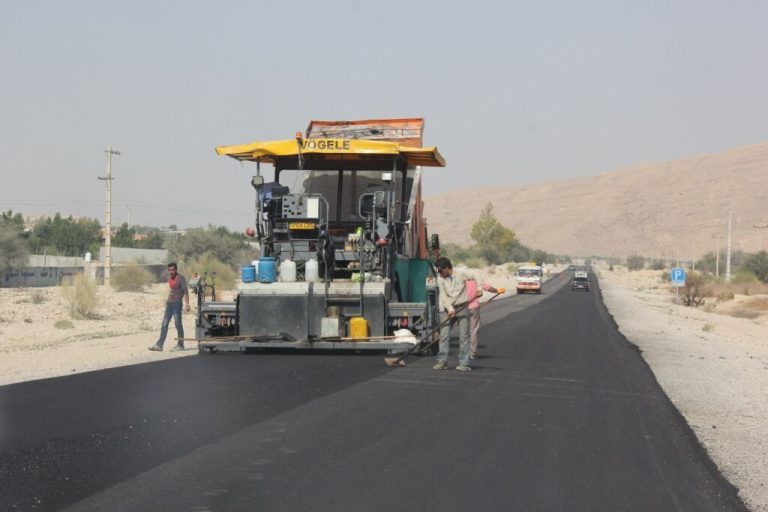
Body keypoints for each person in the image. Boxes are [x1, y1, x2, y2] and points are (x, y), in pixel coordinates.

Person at [433, 257, 480, 372]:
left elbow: (476, 275)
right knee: (444, 336)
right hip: (446, 309)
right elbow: (443, 296)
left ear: (447, 268)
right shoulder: (440, 279)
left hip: (462, 307)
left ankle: (463, 363)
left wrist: (479, 288)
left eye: (440, 270)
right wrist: (449, 308)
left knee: (464, 336)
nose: (439, 273)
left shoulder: (461, 273)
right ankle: (442, 362)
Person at [149, 262, 190, 352]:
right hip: (169, 304)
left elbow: (186, 291)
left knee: (178, 324)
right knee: (164, 324)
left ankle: (180, 344)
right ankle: (159, 345)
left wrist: (187, 304)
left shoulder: (181, 278)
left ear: (176, 269)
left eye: (173, 270)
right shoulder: (170, 278)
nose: (171, 272)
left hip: (177, 304)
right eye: (170, 270)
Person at [465, 278, 505, 360]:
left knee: (463, 331)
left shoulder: (460, 278)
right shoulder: (476, 278)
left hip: (461, 308)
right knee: (474, 330)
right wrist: (497, 291)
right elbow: (488, 288)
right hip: (474, 307)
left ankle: (463, 353)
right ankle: (472, 353)